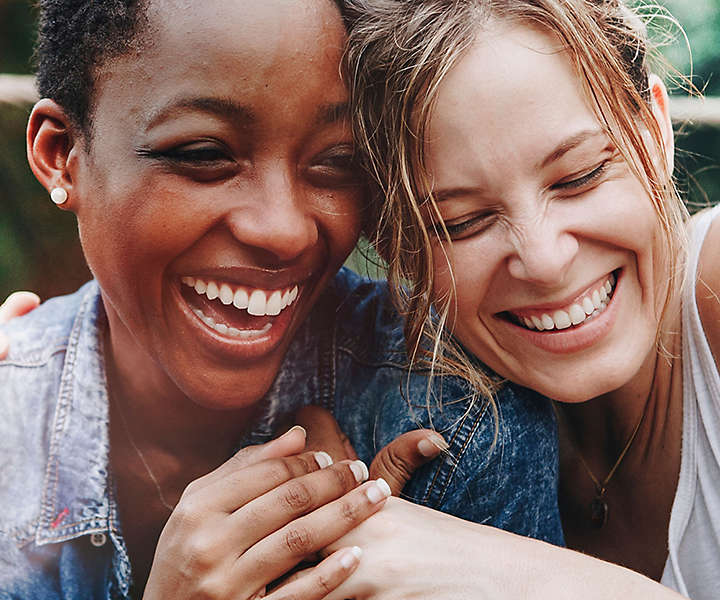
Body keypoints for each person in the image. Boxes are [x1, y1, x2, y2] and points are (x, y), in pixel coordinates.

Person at [0, 0, 563, 598]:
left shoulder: (455, 419)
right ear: (61, 155)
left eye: (336, 162)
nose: (284, 230)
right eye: (204, 155)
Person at [294, 0, 711, 598]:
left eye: (580, 176)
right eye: (461, 221)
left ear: (653, 132)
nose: (544, 260)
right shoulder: (441, 431)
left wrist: (491, 566)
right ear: (395, 248)